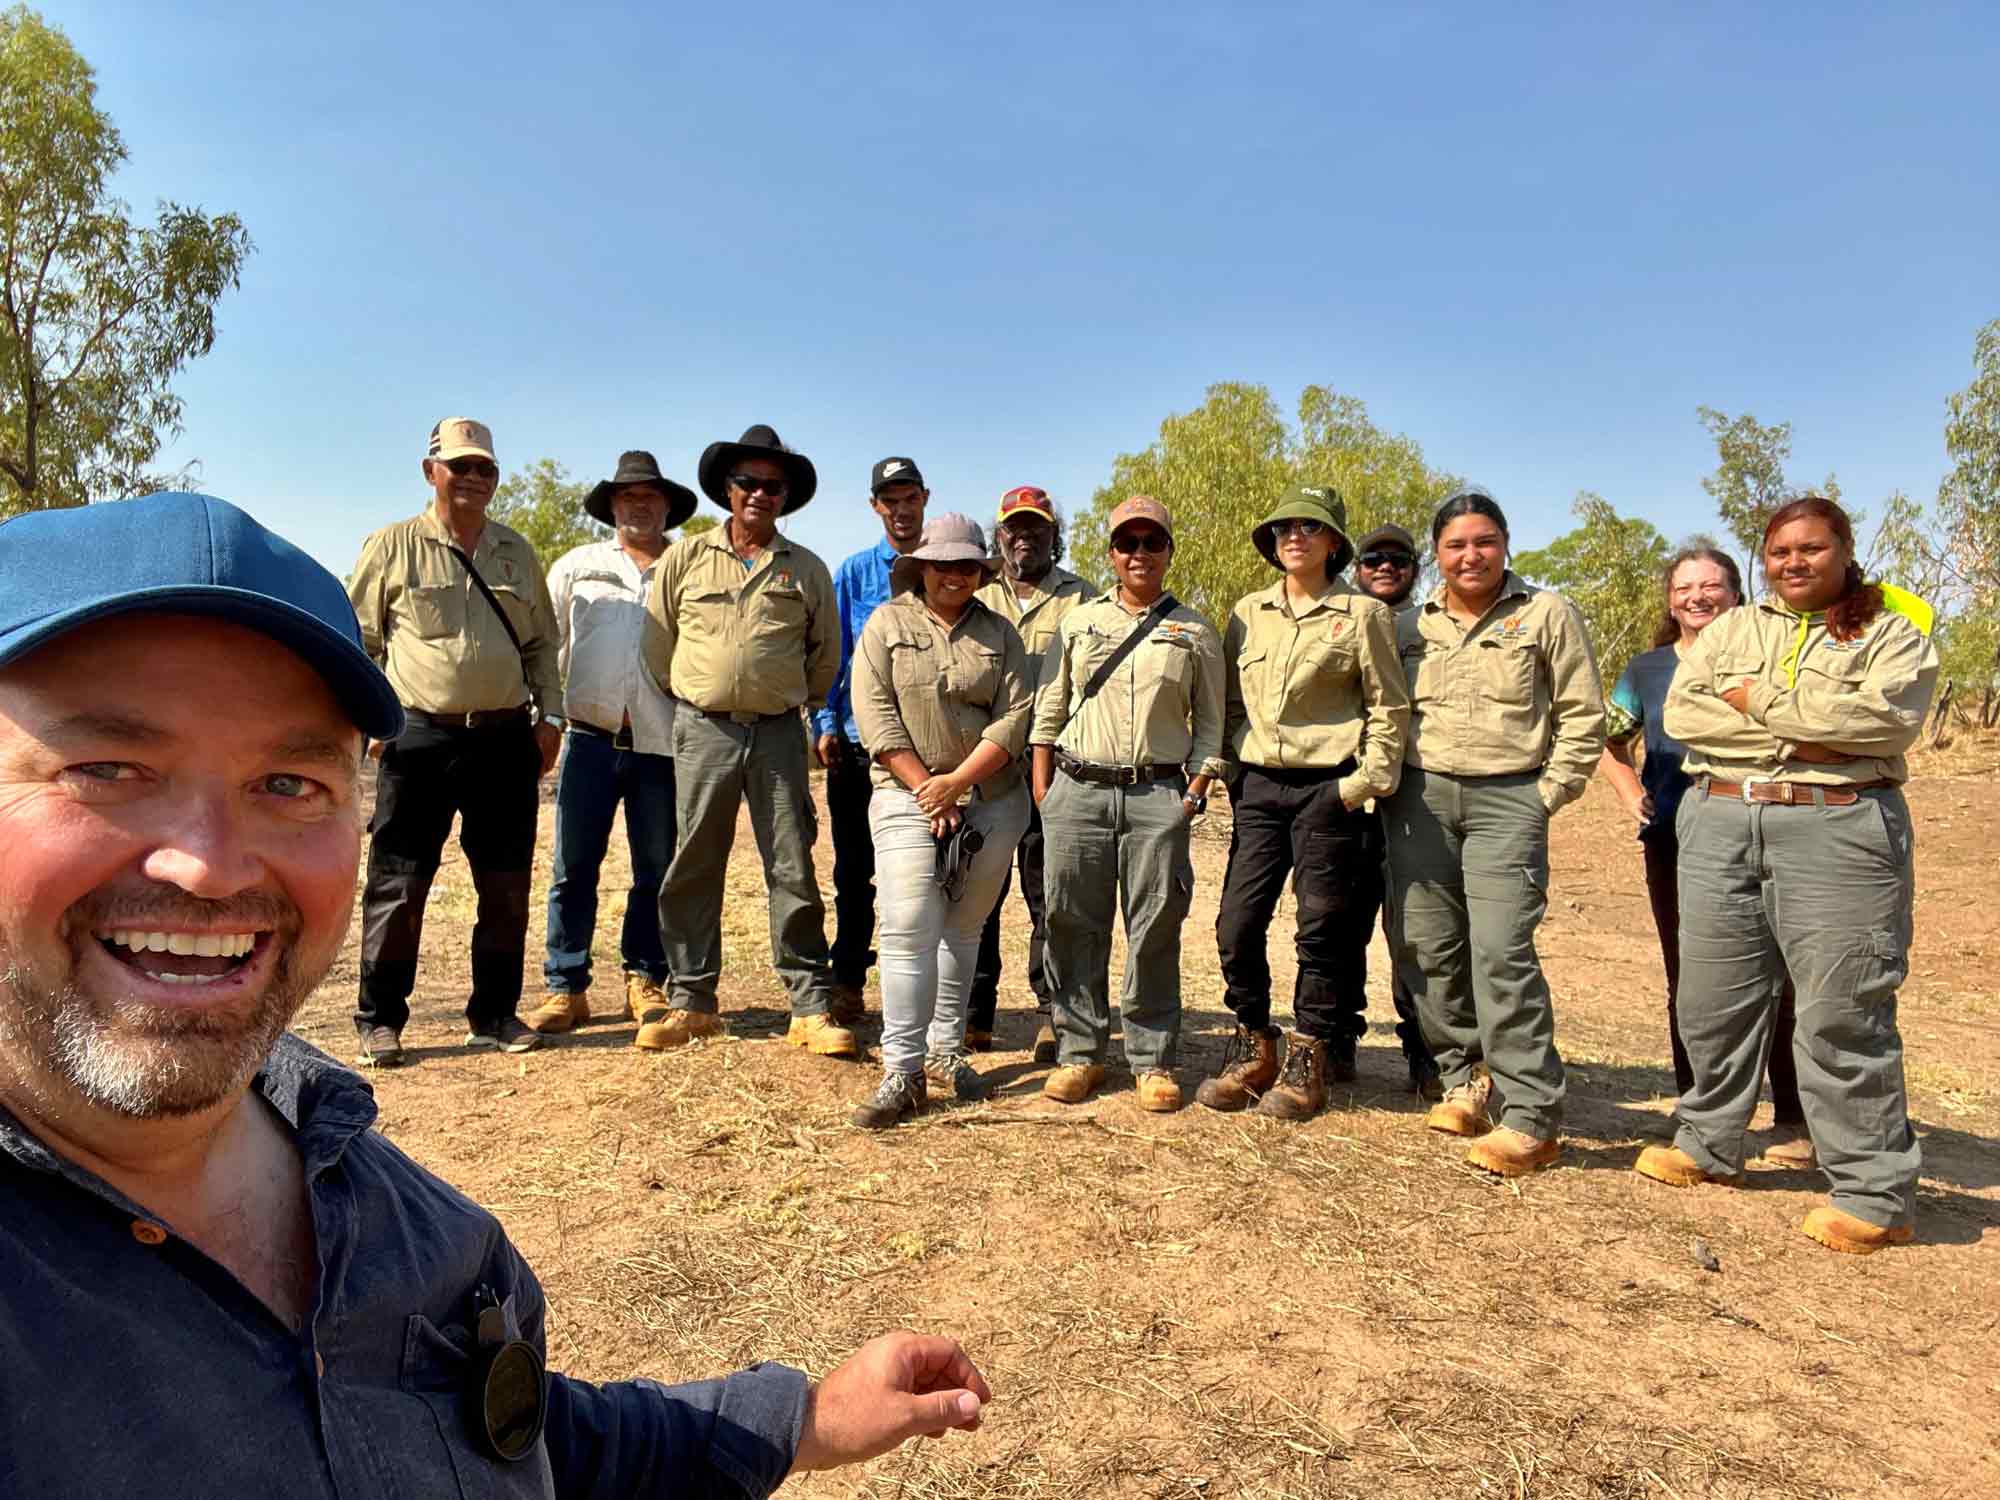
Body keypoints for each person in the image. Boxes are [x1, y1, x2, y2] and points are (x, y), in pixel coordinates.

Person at [0, 492, 990, 1496]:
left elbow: (520, 1441)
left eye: (288, 784)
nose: (208, 865)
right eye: (106, 769)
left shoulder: (409, 1233)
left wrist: (799, 1419)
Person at [1640, 497, 1937, 1256]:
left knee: (1843, 1006)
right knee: (1712, 995)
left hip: (1839, 824)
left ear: (1843, 549)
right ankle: (1709, 1141)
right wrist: (1812, 723)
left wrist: (1759, 702)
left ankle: (1874, 1189)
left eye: (1811, 548)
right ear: (1762, 560)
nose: (1794, 563)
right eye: (1779, 552)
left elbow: (1885, 725)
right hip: (1718, 818)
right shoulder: (1734, 629)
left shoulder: (1890, 633)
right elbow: (1685, 714)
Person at [1384, 489, 1604, 1176]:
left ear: (1506, 543)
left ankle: (1532, 1113)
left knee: (1502, 951)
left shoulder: (1547, 614)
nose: (1469, 555)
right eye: (1455, 545)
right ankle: (1463, 1079)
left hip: (1509, 797)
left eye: (1482, 541)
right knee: (1425, 945)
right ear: (1437, 555)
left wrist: (1547, 793)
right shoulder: (1408, 625)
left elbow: (1582, 713)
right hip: (1421, 797)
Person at [346, 418, 563, 1064]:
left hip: (504, 741)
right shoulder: (391, 546)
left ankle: (495, 1014)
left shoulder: (516, 553)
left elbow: (542, 643)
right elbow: (361, 640)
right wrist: (371, 722)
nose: (473, 478)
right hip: (419, 741)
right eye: (460, 466)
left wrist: (550, 717)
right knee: (399, 883)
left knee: (504, 886)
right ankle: (380, 1020)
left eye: (485, 469)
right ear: (430, 471)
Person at [1198, 486, 1410, 1120]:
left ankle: (1309, 1056)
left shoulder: (1363, 614)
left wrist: (1358, 785)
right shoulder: (1248, 612)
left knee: (1322, 932)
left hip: (1331, 789)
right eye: (1286, 527)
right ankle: (1255, 1041)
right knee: (1237, 924)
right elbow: (1232, 702)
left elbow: (1388, 709)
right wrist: (1234, 774)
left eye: (1310, 529)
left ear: (1333, 543)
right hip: (1259, 787)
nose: (1296, 537)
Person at [643, 425, 855, 1056]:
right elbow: (658, 648)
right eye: (748, 482)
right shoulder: (683, 560)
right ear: (726, 490)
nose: (760, 493)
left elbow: (825, 659)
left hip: (777, 736)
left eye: (773, 485)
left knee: (791, 863)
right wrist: (701, 694)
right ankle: (690, 999)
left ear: (785, 496)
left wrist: (788, 702)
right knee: (694, 862)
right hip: (703, 729)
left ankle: (810, 1006)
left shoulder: (806, 569)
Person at [1598, 542, 1810, 1165]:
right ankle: (1697, 1112)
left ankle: (1793, 1118)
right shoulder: (1647, 670)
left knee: (1785, 977)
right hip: (1675, 836)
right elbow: (1608, 737)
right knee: (1687, 977)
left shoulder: (1770, 656)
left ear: (1736, 593)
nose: (1698, 597)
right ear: (1670, 600)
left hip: (1774, 823)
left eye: (1711, 585)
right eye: (1685, 587)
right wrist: (1631, 789)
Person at [1031, 497, 1226, 1111]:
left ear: (1169, 550)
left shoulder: (1195, 630)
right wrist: (1045, 791)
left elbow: (1213, 726)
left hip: (1157, 795)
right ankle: (1079, 1053)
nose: (1139, 553)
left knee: (1153, 928)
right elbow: (1049, 710)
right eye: (1127, 543)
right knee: (1069, 922)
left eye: (1152, 542)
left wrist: (1192, 793)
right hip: (1077, 791)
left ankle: (1151, 1058)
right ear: (1110, 553)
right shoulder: (1078, 622)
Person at [847, 515, 1032, 1127]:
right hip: (906, 795)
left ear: (982, 571)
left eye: (967, 565)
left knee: (966, 926)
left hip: (992, 798)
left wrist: (959, 783)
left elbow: (1014, 718)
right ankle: (902, 1068)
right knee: (906, 924)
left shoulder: (1001, 633)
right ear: (921, 567)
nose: (954, 574)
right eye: (942, 563)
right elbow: (874, 715)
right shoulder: (885, 624)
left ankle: (946, 1052)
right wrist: (930, 788)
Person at [526, 452, 698, 1048]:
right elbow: (547, 646)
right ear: (613, 505)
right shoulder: (577, 566)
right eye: (628, 496)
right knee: (573, 867)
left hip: (663, 741)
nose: (640, 505)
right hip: (589, 739)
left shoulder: (689, 566)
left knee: (656, 868)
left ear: (668, 505)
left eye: (651, 496)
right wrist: (545, 716)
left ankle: (645, 978)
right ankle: (565, 984)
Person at [968, 486, 1094, 1060]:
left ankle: (1052, 1014)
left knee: (1051, 896)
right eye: (1015, 527)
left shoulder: (1084, 599)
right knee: (978, 893)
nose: (1025, 537)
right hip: (986, 768)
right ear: (1000, 535)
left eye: (1037, 528)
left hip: (1056, 770)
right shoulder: (975, 592)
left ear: (1053, 534)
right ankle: (973, 1014)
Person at [814, 458, 930, 1024]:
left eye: (910, 498)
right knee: (853, 872)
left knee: (928, 877)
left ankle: (926, 995)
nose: (901, 510)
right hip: (861, 748)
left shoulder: (943, 567)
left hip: (932, 756)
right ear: (875, 507)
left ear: (925, 499)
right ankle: (849, 980)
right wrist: (827, 725)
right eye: (891, 501)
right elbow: (833, 657)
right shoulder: (855, 572)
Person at [1347, 520, 1441, 1097]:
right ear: (1356, 567)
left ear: (1415, 567)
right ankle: (1335, 1039)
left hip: (1416, 795)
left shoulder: (1430, 626)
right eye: (1373, 558)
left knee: (1416, 929)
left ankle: (1427, 1051)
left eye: (1398, 559)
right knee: (1338, 923)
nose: (1385, 567)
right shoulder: (1345, 620)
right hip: (1347, 793)